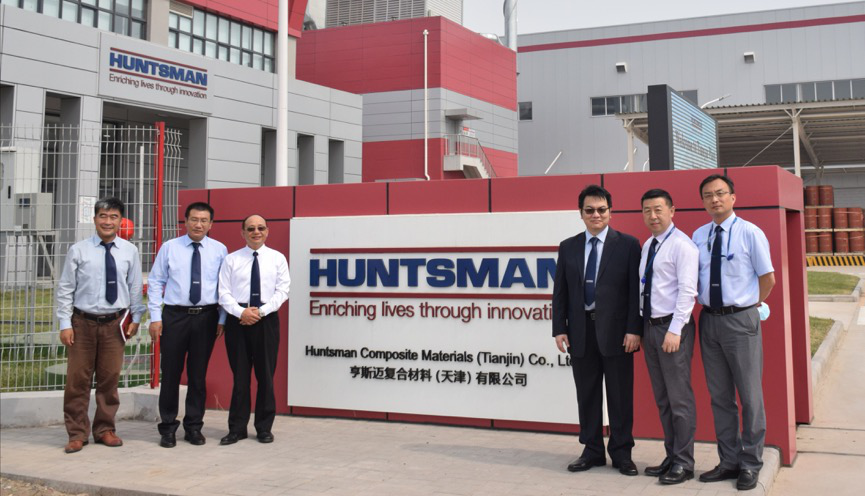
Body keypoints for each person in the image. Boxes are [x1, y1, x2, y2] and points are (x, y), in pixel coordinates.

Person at [552, 184, 642, 476]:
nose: (596, 215)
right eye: (589, 210)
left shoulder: (628, 245)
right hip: (580, 332)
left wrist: (634, 329)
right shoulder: (568, 246)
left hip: (618, 334)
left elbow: (635, 292)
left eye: (602, 209)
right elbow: (560, 291)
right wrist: (559, 328)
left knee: (620, 396)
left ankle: (622, 453)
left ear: (610, 212)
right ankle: (591, 451)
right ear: (580, 213)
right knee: (587, 395)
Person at [692, 174, 775, 491]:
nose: (714, 199)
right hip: (709, 320)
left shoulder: (750, 233)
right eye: (708, 195)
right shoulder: (699, 235)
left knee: (750, 396)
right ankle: (728, 461)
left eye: (720, 193)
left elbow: (767, 278)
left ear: (733, 197)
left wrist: (751, 306)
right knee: (720, 396)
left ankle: (751, 463)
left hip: (740, 321)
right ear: (703, 201)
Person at [55, 197, 144, 454]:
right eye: (103, 216)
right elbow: (66, 288)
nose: (107, 221)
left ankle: (105, 429)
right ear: (94, 219)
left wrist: (136, 318)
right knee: (77, 381)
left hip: (115, 324)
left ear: (121, 221)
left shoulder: (130, 251)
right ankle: (77, 433)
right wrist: (65, 323)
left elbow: (135, 287)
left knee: (109, 379)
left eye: (113, 217)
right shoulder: (79, 250)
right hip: (82, 323)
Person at [148, 202, 228, 448]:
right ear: (185, 221)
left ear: (211, 224)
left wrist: (222, 319)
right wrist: (155, 317)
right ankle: (168, 428)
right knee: (171, 373)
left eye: (204, 220)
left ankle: (194, 427)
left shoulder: (219, 250)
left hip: (206, 317)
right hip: (175, 316)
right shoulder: (170, 248)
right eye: (194, 219)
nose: (198, 224)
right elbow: (155, 282)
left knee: (197, 375)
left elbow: (225, 287)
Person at [638, 189, 699, 484]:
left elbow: (688, 292)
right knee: (663, 398)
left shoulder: (682, 246)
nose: (653, 216)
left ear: (672, 211)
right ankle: (672, 455)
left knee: (679, 399)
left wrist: (675, 330)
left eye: (658, 210)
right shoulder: (648, 245)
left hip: (672, 329)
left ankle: (684, 463)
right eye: (647, 210)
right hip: (650, 328)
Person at [218, 215, 290, 445]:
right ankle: (237, 429)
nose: (256, 232)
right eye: (250, 229)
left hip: (266, 320)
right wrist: (242, 313)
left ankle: (264, 428)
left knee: (265, 377)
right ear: (243, 233)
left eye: (260, 228)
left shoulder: (277, 259)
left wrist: (260, 312)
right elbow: (223, 293)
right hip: (238, 321)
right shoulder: (231, 259)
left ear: (267, 231)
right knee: (240, 378)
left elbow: (283, 291)